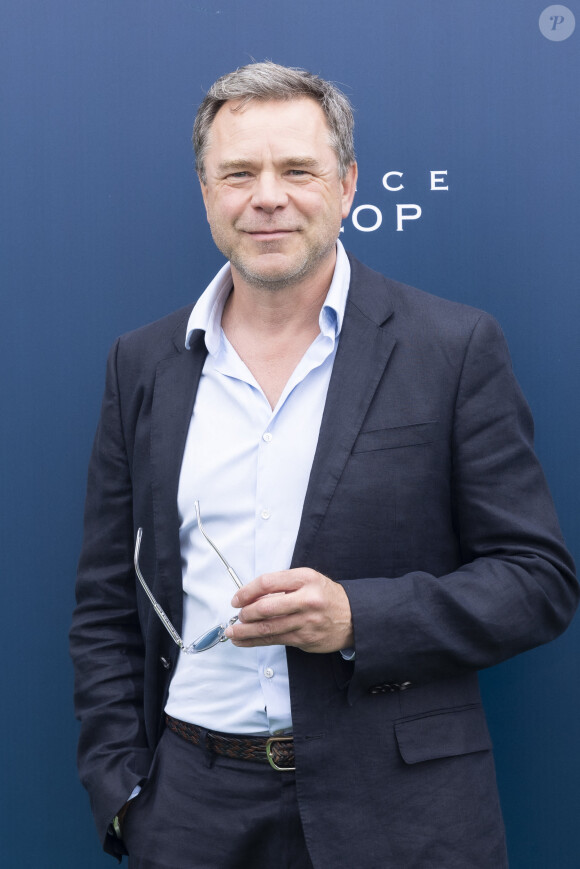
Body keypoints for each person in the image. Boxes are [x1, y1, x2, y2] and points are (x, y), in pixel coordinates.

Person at [70, 62, 578, 869]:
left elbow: (538, 580)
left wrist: (359, 619)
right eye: (238, 172)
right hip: (191, 815)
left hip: (403, 815)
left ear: (345, 187)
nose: (266, 195)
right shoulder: (143, 363)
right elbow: (104, 600)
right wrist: (126, 791)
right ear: (207, 192)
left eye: (296, 169)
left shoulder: (452, 348)